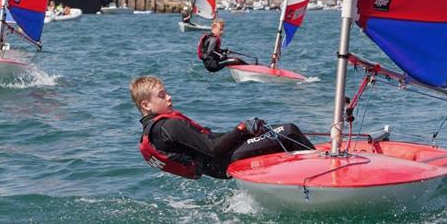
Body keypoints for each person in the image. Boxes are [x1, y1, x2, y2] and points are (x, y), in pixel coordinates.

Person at [130, 76, 313, 179]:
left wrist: (247, 133)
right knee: (289, 130)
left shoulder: (152, 131)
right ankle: (316, 174)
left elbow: (209, 141)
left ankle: (296, 177)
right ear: (146, 105)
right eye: (162, 95)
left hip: (216, 167)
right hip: (225, 160)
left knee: (273, 134)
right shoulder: (169, 126)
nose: (169, 97)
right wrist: (241, 129)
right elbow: (213, 148)